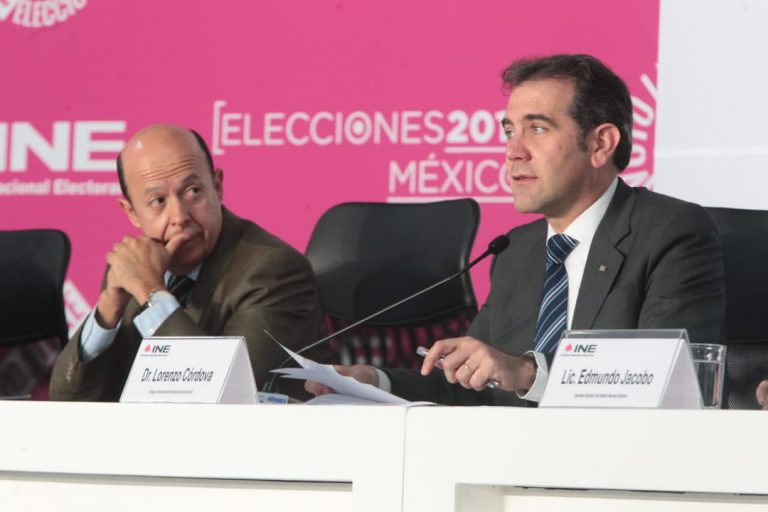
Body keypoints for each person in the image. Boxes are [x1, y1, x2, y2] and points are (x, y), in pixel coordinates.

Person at [307, 54, 726, 405]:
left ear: (601, 144)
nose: (512, 151)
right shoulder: (516, 251)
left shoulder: (670, 232)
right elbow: (469, 387)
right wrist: (375, 382)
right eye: (509, 130)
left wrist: (527, 373)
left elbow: (659, 383)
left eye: (537, 128)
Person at [50, 124, 322, 401]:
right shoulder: (133, 268)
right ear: (131, 212)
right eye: (158, 200)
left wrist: (152, 295)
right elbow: (66, 398)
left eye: (193, 191)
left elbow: (227, 395)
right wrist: (109, 306)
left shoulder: (273, 269)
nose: (179, 215)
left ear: (217, 187)